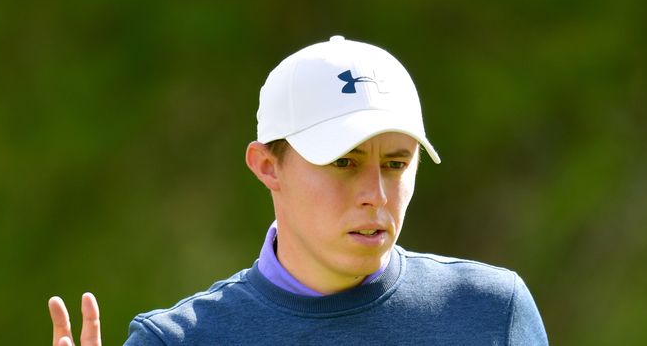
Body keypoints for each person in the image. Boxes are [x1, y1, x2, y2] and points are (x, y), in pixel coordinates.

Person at [48, 36, 548, 345]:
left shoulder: (490, 313)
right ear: (268, 166)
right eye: (343, 162)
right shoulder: (183, 341)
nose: (375, 193)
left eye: (396, 164)